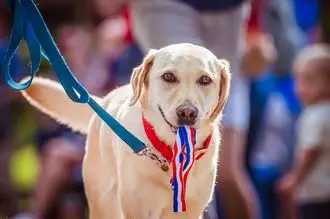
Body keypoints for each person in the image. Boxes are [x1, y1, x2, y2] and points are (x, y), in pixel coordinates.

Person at [129, 0, 261, 218]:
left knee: (228, 173)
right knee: (192, 164)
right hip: (166, 6)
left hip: (232, 11)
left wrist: (256, 24)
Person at [277, 43, 330, 219]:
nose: (300, 88)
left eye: (309, 80)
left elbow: (310, 152)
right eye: (298, 80)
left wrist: (295, 179)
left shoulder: (315, 115)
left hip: (316, 193)